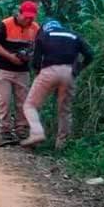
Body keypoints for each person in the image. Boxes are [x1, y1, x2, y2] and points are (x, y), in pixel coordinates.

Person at [21, 20, 94, 149]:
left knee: (30, 105)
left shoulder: (44, 36)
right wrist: (78, 69)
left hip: (49, 71)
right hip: (68, 72)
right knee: (64, 110)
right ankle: (61, 145)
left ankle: (37, 133)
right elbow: (90, 54)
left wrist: (39, 74)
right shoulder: (73, 35)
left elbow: (36, 62)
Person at [0, 0, 40, 141]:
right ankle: (5, 128)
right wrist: (10, 56)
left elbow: (37, 48)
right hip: (3, 68)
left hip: (22, 70)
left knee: (22, 100)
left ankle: (21, 128)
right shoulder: (6, 24)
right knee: (4, 100)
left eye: (31, 17)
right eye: (26, 16)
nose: (28, 19)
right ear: (19, 13)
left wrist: (30, 57)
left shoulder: (35, 28)